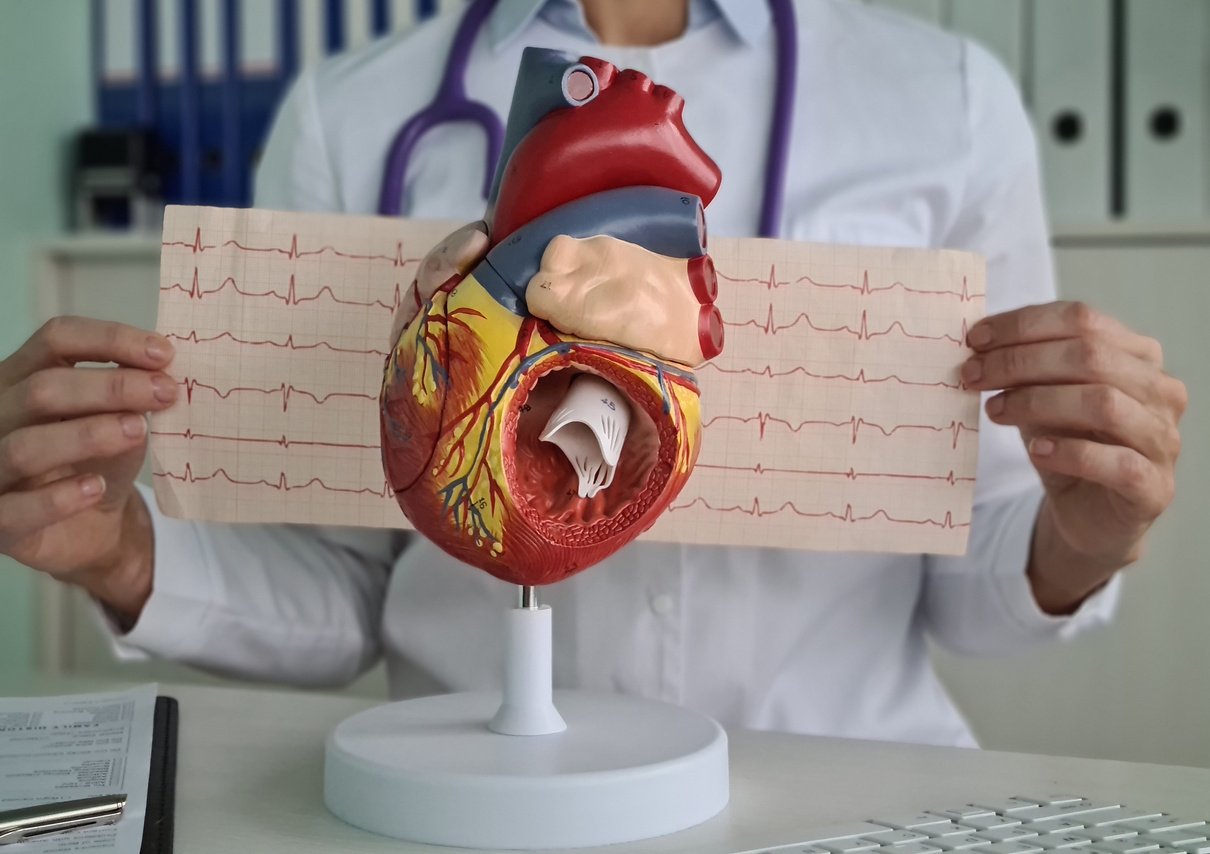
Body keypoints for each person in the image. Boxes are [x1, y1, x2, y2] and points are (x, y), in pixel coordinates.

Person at [0, 0, 1186, 746]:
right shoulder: (351, 114)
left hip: (838, 790)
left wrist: (1077, 537)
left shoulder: (947, 105)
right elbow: (349, 592)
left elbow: (974, 581)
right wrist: (125, 552)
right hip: (476, 797)